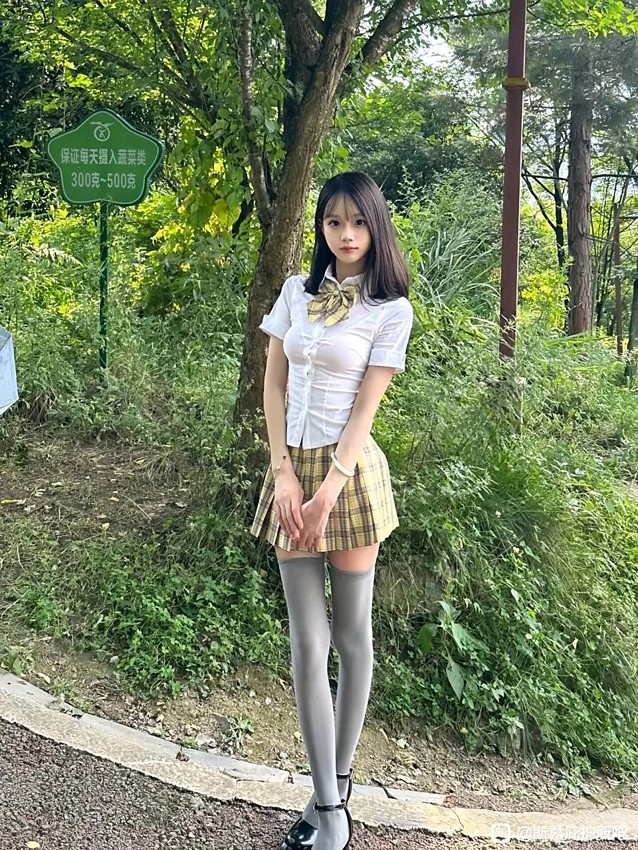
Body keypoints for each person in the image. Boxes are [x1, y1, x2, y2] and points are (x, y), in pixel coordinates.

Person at [250, 171, 413, 850]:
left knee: (351, 636)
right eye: (333, 222)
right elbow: (274, 383)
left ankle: (337, 791)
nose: (346, 234)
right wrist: (284, 474)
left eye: (358, 222)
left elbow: (366, 408)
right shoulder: (297, 292)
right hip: (292, 475)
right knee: (306, 641)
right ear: (321, 228)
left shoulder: (390, 310)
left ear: (375, 227)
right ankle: (327, 804)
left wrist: (327, 491)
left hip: (348, 478)